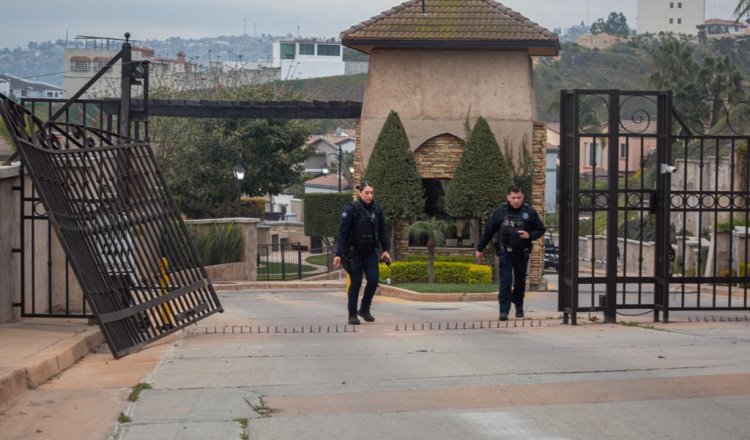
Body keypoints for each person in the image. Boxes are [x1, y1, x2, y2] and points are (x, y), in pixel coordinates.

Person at [476, 184, 546, 321]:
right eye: (513, 198)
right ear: (508, 197)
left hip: (522, 253)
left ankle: (518, 306)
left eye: (519, 198)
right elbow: (488, 231)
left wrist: (530, 235)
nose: (516, 201)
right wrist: (480, 248)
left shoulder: (530, 212)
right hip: (505, 252)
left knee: (520, 282)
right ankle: (504, 311)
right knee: (506, 281)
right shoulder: (500, 211)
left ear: (523, 197)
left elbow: (541, 229)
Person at [333, 181, 391, 325]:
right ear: (360, 193)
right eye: (367, 193)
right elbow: (343, 232)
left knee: (373, 280)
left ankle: (364, 309)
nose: (369, 195)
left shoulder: (377, 210)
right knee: (356, 282)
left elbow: (383, 231)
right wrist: (338, 254)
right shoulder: (351, 209)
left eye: (371, 193)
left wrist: (385, 250)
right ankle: (352, 315)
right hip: (353, 253)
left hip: (370, 251)